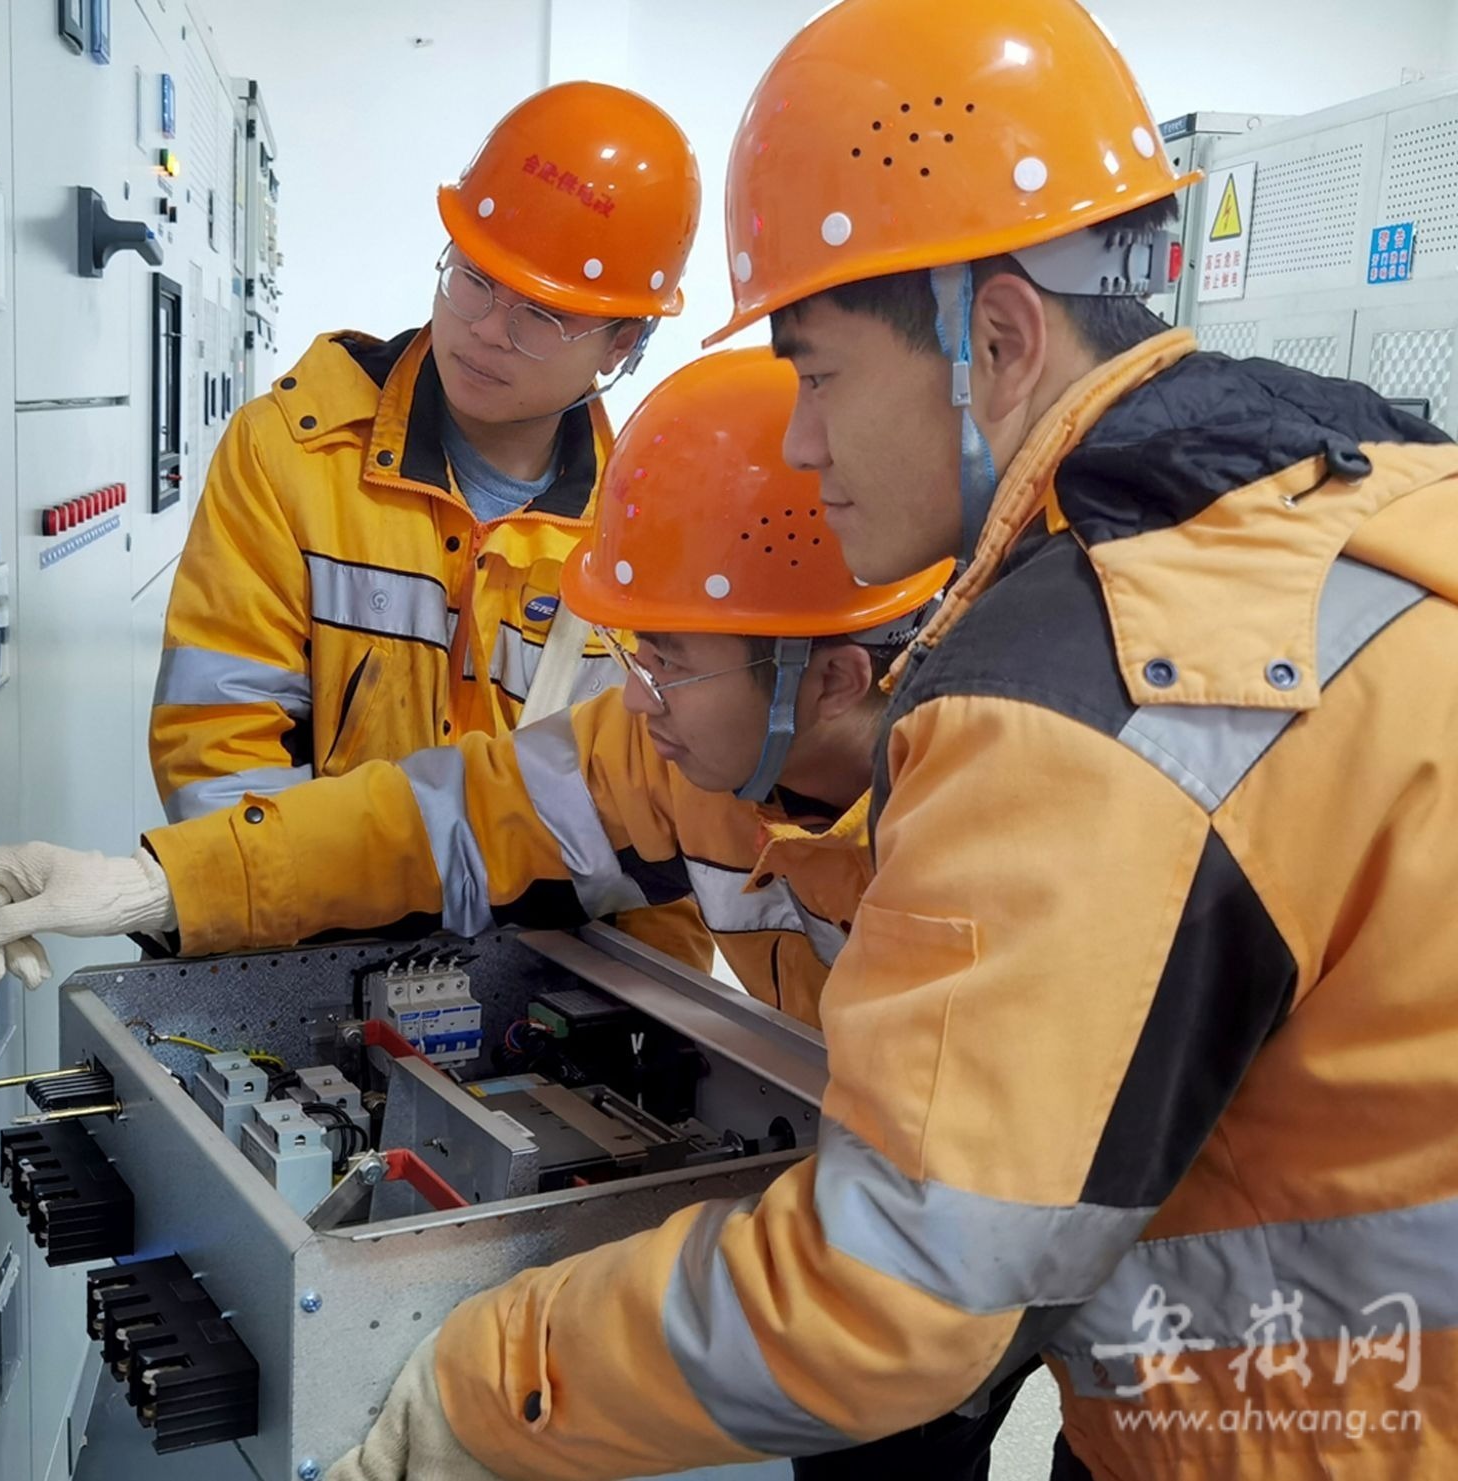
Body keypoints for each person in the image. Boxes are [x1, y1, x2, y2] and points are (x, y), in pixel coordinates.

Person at [311, 1, 1458, 1478]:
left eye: (820, 372)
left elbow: (891, 1289)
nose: (799, 443)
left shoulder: (1077, 683)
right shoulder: (1360, 495)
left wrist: (479, 1390)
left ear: (996, 336)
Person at [0, 348, 1025, 1475]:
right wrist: (159, 882)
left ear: (825, 680)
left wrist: (482, 1394)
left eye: (666, 659)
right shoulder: (677, 752)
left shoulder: (997, 839)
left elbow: (924, 1269)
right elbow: (436, 820)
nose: (632, 694)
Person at [148, 79, 710, 968]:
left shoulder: (655, 533)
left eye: (542, 315)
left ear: (622, 347)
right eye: (475, 280)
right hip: (312, 950)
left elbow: (666, 831)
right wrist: (284, 959)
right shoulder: (292, 453)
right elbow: (220, 750)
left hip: (556, 974)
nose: (487, 331)